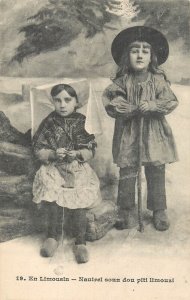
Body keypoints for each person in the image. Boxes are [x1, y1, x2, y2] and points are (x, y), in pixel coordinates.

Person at [102, 26, 178, 231]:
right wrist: (123, 105)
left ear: (152, 57)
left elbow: (170, 101)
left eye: (145, 51)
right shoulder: (122, 81)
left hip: (153, 132)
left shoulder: (158, 80)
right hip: (129, 131)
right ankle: (126, 210)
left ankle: (158, 209)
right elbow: (110, 98)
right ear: (127, 56)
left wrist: (153, 105)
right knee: (127, 169)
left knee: (156, 169)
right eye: (135, 50)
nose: (140, 55)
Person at [32, 83, 101, 263]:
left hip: (76, 168)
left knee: (78, 198)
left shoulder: (81, 121)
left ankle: (80, 242)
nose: (62, 105)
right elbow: (38, 146)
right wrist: (53, 154)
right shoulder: (49, 121)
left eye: (67, 100)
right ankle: (52, 237)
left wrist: (78, 153)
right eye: (58, 100)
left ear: (76, 102)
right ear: (53, 102)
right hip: (54, 167)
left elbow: (91, 147)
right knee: (53, 195)